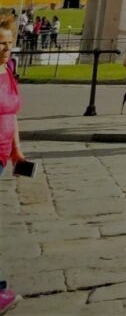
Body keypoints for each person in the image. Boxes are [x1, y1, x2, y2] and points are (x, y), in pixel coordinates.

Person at [0, 16, 26, 310]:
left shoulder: (7, 69)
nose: (7, 48)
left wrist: (16, 150)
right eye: (1, 43)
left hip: (2, 154)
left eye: (10, 43)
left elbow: (11, 115)